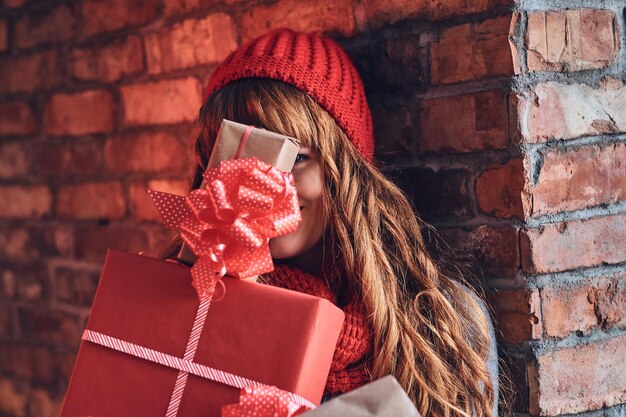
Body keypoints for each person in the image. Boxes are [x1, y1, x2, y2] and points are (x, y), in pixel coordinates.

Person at [170, 28, 499, 417]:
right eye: (240, 156)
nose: (263, 186)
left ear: (346, 172)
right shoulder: (183, 307)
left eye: (295, 159)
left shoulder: (443, 323)